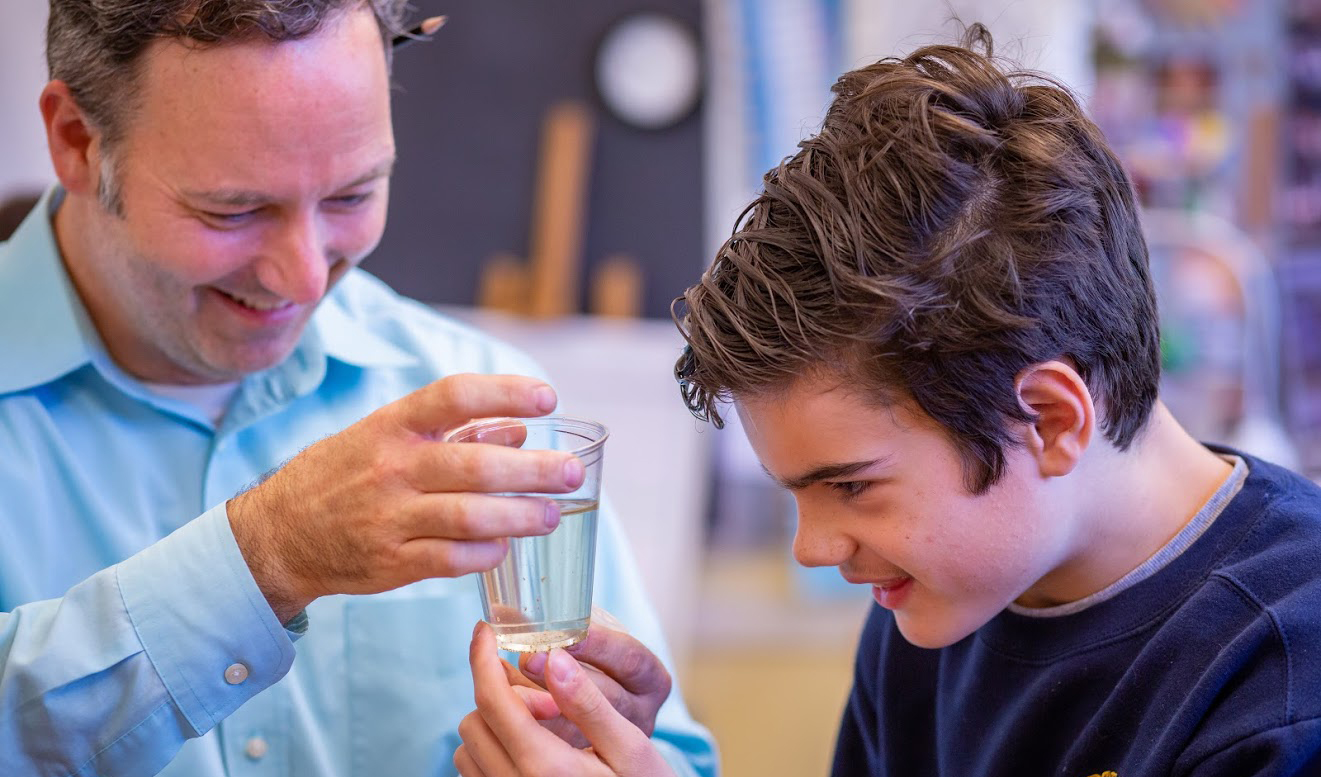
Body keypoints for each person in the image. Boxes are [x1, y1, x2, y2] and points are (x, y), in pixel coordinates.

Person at [456, 24, 1321, 777]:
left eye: (851, 485)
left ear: (1051, 419)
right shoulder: (936, 603)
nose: (813, 547)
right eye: (793, 491)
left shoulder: (1281, 678)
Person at [0, 2, 716, 775]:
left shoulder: (475, 398)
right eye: (232, 209)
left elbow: (670, 755)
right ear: (76, 140)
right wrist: (265, 556)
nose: (305, 278)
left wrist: (603, 745)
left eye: (351, 195)